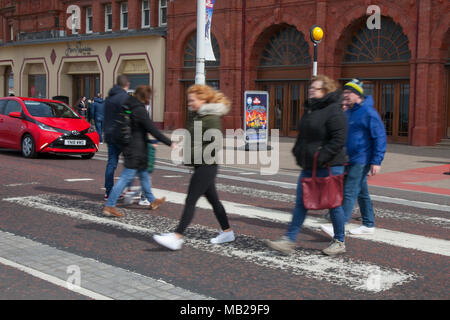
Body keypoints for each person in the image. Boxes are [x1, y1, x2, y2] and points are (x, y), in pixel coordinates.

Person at [265, 75, 348, 256]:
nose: (311, 90)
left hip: (329, 165)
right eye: (310, 88)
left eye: (315, 88)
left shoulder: (334, 110)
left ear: (325, 91)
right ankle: (289, 240)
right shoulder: (310, 109)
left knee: (333, 204)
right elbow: (303, 136)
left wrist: (322, 156)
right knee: (301, 202)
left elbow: (339, 139)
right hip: (310, 165)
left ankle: (339, 240)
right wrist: (298, 151)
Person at [153, 84, 235, 251]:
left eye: (192, 100)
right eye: (189, 100)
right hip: (201, 165)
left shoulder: (211, 117)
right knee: (214, 200)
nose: (189, 102)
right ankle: (227, 231)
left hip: (206, 164)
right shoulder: (199, 115)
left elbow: (216, 143)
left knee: (191, 200)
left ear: (203, 99)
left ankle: (177, 237)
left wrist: (197, 154)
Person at [320, 79, 386, 237]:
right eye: (345, 92)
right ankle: (368, 224)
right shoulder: (349, 112)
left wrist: (377, 161)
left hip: (362, 159)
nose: (346, 95)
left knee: (349, 192)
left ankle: (339, 226)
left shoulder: (369, 113)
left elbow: (380, 137)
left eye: (349, 93)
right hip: (349, 158)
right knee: (362, 193)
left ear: (358, 95)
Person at [103, 85, 173, 217]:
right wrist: (170, 143)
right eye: (149, 96)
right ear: (145, 97)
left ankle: (152, 200)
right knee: (125, 177)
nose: (150, 99)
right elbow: (152, 129)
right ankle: (110, 205)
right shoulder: (139, 109)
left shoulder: (129, 106)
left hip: (135, 148)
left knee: (144, 175)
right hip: (135, 150)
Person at [103, 75, 132, 200]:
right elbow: (129, 113)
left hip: (109, 135)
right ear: (127, 84)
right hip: (122, 134)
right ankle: (126, 189)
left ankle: (108, 191)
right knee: (130, 164)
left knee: (111, 163)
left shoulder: (108, 98)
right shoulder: (125, 97)